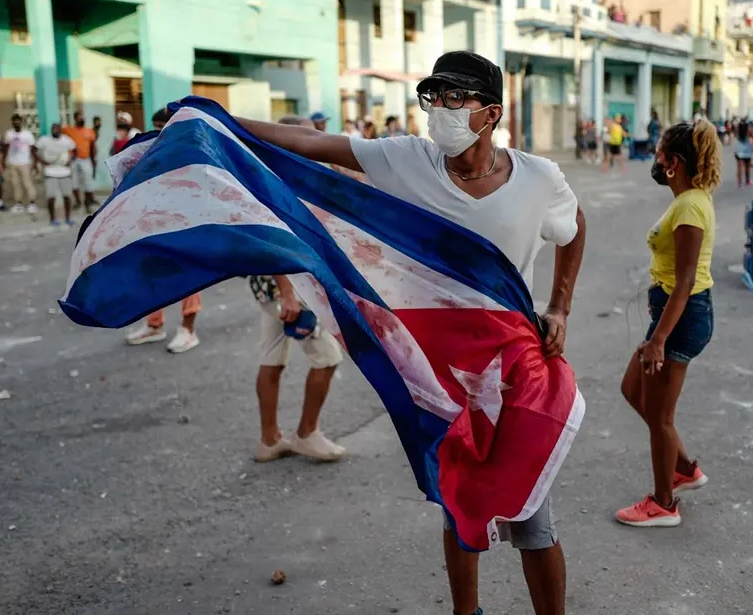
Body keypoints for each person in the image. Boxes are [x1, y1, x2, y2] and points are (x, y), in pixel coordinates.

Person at [232, 49, 586, 615]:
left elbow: (573, 227)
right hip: (441, 373)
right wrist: (217, 119)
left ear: (490, 112)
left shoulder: (538, 178)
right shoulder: (407, 159)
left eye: (454, 98)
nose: (438, 110)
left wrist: (561, 306)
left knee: (533, 515)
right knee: (457, 499)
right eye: (432, 97)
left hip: (513, 368)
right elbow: (310, 145)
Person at [616, 119, 720, 528]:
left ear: (674, 162)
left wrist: (658, 339)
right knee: (632, 389)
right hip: (672, 315)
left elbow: (687, 280)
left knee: (660, 416)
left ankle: (663, 503)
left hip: (682, 317)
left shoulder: (691, 206)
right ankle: (684, 470)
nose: (656, 161)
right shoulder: (686, 201)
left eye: (660, 154)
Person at [246, 274, 346, 462]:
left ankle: (269, 440)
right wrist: (288, 294)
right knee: (327, 359)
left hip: (266, 284)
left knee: (271, 357)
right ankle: (306, 434)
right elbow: (279, 246)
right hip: (289, 287)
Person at [33, 123, 76, 227]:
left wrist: (71, 160)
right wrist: (42, 161)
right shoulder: (45, 140)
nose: (55, 131)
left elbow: (75, 150)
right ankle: (52, 219)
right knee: (51, 197)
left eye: (57, 129)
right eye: (53, 129)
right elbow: (34, 150)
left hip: (64, 172)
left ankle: (68, 218)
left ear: (60, 130)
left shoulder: (66, 140)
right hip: (50, 172)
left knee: (67, 196)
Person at [3, 114, 39, 214]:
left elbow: (33, 149)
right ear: (12, 122)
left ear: (21, 122)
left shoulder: (27, 134)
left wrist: (35, 163)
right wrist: (3, 161)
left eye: (18, 121)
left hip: (25, 163)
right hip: (12, 163)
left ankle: (32, 203)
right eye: (14, 121)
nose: (16, 123)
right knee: (15, 184)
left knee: (27, 183)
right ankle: (19, 204)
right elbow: (5, 148)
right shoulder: (9, 134)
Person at [63, 111, 98, 213]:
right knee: (74, 182)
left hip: (86, 159)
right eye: (79, 117)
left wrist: (94, 159)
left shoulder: (89, 131)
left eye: (82, 117)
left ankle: (88, 203)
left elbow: (93, 146)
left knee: (88, 182)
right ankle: (78, 202)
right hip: (73, 160)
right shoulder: (69, 130)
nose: (81, 119)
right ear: (75, 119)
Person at [733, 119, 753, 187]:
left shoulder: (737, 129)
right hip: (747, 150)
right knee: (747, 167)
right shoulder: (749, 130)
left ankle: (739, 183)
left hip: (739, 150)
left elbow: (735, 136)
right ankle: (747, 181)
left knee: (739, 167)